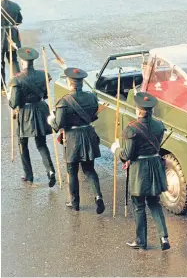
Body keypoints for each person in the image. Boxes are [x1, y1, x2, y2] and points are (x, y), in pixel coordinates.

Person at [111, 92, 170, 251]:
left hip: (139, 170)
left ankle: (141, 241)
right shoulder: (159, 125)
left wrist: (117, 150)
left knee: (138, 206)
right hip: (155, 166)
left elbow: (127, 155)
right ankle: (163, 237)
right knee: (154, 203)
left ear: (138, 110)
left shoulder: (132, 129)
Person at [47, 67, 104, 214]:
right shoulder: (92, 97)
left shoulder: (64, 102)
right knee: (89, 169)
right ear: (82, 82)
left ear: (69, 82)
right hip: (88, 134)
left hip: (72, 138)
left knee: (72, 171)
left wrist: (50, 120)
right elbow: (93, 115)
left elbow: (59, 124)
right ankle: (98, 196)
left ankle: (75, 203)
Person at [7, 47, 55, 186]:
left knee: (22, 143)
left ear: (22, 62)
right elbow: (45, 95)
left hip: (25, 112)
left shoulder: (16, 79)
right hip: (40, 109)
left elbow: (14, 103)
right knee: (41, 143)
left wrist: (9, 98)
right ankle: (50, 171)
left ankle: (29, 175)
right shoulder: (43, 74)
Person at [1, 0, 22, 92]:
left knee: (0, 63)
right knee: (13, 61)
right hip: (12, 37)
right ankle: (18, 84)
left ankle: (2, 87)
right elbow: (18, 21)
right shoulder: (15, 6)